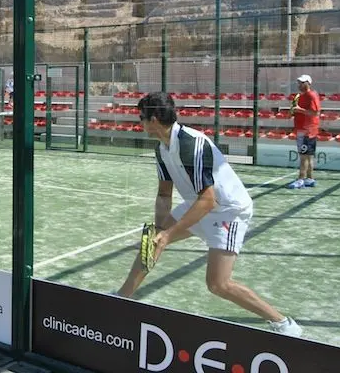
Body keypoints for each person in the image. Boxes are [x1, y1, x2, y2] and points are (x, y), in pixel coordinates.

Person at [114, 92, 303, 337]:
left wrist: (169, 234)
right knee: (152, 243)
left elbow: (208, 199)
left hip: (228, 211)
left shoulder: (192, 144)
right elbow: (164, 193)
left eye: (141, 117)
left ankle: (283, 324)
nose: (139, 122)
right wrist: (159, 230)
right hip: (198, 203)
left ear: (154, 119)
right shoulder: (162, 149)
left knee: (218, 284)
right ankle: (121, 299)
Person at [288, 74, 321, 189]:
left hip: (307, 131)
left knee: (303, 157)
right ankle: (310, 179)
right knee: (308, 157)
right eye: (299, 82)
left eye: (302, 82)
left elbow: (315, 112)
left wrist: (298, 110)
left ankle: (301, 180)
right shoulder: (301, 96)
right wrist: (294, 111)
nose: (300, 85)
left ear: (308, 83)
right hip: (304, 130)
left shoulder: (311, 95)